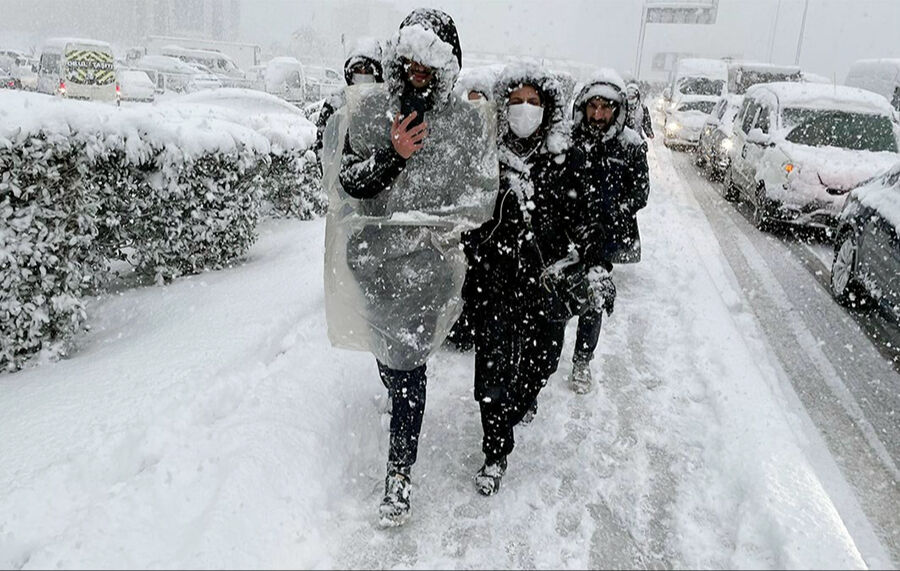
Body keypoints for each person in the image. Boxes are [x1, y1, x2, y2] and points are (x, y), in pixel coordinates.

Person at [320, 8, 498, 526]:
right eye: (411, 61)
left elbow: (477, 198)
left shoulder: (463, 123)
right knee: (391, 362)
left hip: (427, 272)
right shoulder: (374, 112)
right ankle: (398, 404)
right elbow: (349, 184)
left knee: (408, 368)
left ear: (448, 66)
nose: (419, 71)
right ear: (399, 60)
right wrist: (393, 155)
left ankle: (400, 473)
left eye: (431, 62)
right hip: (374, 268)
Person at [465, 62, 614, 496]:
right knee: (491, 376)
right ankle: (495, 453)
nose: (524, 110)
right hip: (494, 283)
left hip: (545, 287)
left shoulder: (566, 159)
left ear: (547, 107)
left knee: (542, 361)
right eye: (515, 102)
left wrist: (597, 265)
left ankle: (520, 403)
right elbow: (465, 217)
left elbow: (589, 220)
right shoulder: (485, 155)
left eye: (533, 102)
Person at [567, 70, 650, 394]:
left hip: (604, 239)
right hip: (568, 235)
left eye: (606, 107)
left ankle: (582, 361)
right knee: (554, 303)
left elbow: (640, 193)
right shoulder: (569, 140)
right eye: (593, 107)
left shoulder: (630, 146)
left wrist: (613, 216)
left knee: (593, 299)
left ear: (617, 110)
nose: (598, 115)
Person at [313, 37, 384, 169]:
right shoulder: (335, 103)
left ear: (377, 74)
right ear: (349, 73)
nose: (362, 76)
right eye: (358, 71)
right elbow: (322, 145)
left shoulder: (383, 105)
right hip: (342, 179)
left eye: (367, 72)